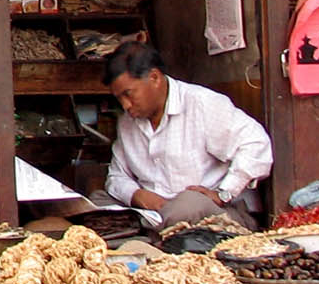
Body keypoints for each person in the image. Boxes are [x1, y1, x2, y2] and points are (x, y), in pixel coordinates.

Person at [101, 41, 273, 230]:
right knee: (97, 202)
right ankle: (152, 232)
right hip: (154, 211)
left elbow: (257, 144)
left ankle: (151, 234)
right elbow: (117, 176)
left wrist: (224, 193)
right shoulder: (127, 122)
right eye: (119, 99)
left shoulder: (202, 103)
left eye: (129, 94)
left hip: (213, 211)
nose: (125, 105)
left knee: (186, 205)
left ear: (155, 78)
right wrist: (136, 194)